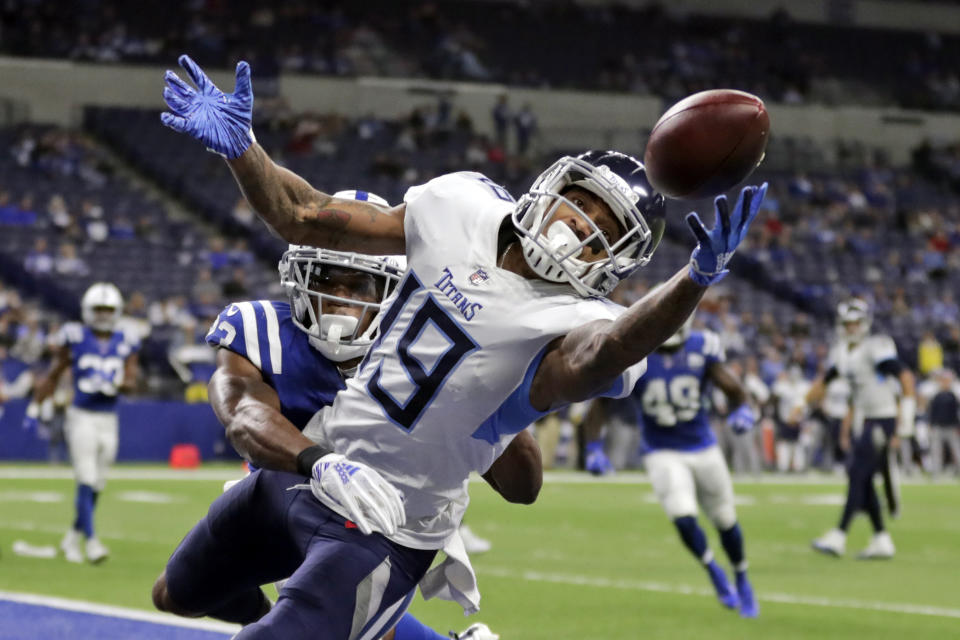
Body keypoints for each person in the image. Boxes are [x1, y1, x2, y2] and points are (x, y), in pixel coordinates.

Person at [159, 54, 766, 639]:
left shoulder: (575, 318)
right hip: (319, 462)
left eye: (601, 232)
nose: (578, 226)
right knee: (177, 594)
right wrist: (244, 150)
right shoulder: (462, 207)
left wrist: (694, 279)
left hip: (391, 524)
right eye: (581, 204)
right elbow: (307, 216)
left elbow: (601, 354)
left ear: (615, 263)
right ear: (551, 184)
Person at [153, 191, 511, 640]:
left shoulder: (423, 353)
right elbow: (242, 415)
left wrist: (498, 389)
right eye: (325, 278)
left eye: (358, 284)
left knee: (351, 620)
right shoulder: (261, 328)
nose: (339, 298)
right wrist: (319, 459)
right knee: (173, 595)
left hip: (372, 516)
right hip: (275, 496)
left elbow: (519, 481)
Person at [583, 315, 760, 618]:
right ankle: (713, 570)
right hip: (661, 451)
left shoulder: (702, 347)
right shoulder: (636, 353)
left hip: (704, 447)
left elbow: (734, 388)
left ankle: (741, 576)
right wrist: (593, 447)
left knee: (726, 519)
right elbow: (601, 401)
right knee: (682, 516)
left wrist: (745, 409)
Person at [24, 282, 139, 563]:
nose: (102, 315)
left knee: (97, 483)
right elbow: (53, 375)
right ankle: (92, 542)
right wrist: (34, 407)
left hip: (108, 418)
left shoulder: (127, 339)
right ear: (88, 310)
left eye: (107, 309)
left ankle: (71, 539)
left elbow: (132, 382)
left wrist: (117, 386)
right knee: (86, 479)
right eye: (98, 309)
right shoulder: (74, 336)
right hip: (81, 416)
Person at [808, 299, 916, 559]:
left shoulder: (874, 347)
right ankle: (882, 539)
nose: (853, 327)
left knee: (857, 473)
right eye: (848, 323)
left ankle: (839, 535)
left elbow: (906, 377)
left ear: (865, 323)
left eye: (856, 322)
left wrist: (907, 420)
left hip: (883, 418)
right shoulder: (842, 352)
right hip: (865, 419)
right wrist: (802, 405)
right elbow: (828, 381)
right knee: (865, 480)